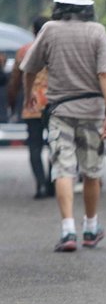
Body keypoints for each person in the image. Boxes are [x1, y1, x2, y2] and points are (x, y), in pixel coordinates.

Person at [20, 0, 106, 252]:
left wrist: (29, 95)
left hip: (60, 111)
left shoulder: (49, 30)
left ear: (59, 5)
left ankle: (67, 232)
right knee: (91, 171)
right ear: (87, 7)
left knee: (63, 169)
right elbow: (105, 74)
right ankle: (90, 227)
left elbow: (29, 68)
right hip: (93, 112)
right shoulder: (97, 31)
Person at [7, 16, 52, 199]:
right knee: (56, 145)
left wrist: (12, 102)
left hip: (31, 106)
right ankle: (52, 184)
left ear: (33, 31)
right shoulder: (55, 50)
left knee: (34, 147)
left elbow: (15, 81)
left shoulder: (23, 51)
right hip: (54, 105)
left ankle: (40, 185)